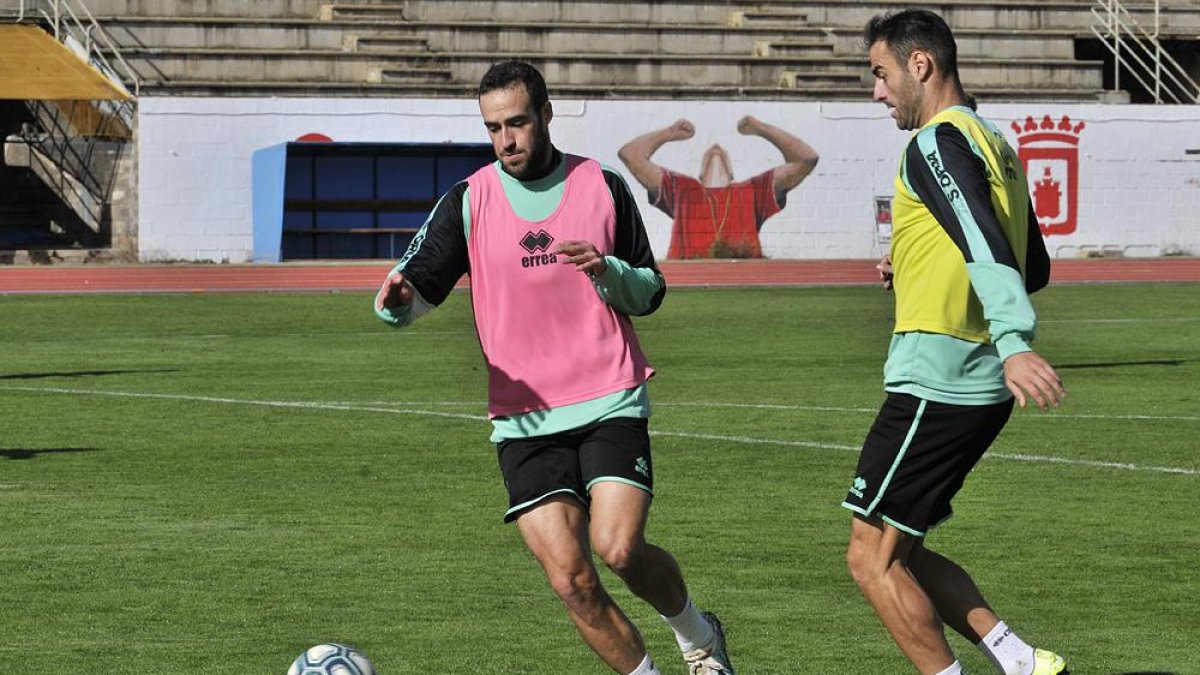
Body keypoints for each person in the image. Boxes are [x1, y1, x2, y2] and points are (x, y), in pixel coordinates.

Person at [374, 61, 735, 675]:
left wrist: (605, 269)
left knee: (618, 549)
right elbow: (414, 288)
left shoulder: (601, 185)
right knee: (572, 581)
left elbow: (649, 290)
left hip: (608, 397)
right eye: (493, 128)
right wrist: (397, 302)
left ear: (546, 114)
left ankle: (699, 638)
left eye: (517, 123)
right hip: (524, 419)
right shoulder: (469, 200)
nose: (506, 140)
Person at [843, 10, 1068, 675]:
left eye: (881, 74)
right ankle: (1019, 659)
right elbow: (1033, 264)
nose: (877, 92)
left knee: (869, 557)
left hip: (940, 375)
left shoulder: (934, 143)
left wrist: (1014, 338)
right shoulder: (993, 141)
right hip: (977, 382)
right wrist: (915, 264)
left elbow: (981, 237)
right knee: (901, 547)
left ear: (920, 65)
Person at [618, 116, 818, 259]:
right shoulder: (681, 188)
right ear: (700, 175)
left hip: (743, 273)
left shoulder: (751, 190)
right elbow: (630, 155)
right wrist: (668, 133)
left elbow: (806, 159)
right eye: (708, 154)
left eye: (724, 155)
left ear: (732, 174)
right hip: (689, 272)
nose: (716, 147)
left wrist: (761, 128)